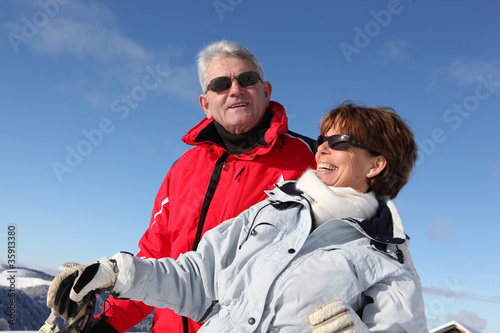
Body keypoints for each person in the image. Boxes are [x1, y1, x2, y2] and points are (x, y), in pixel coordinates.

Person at [47, 102, 427, 332]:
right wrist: (116, 274)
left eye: (341, 142)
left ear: (377, 163)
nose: (322, 148)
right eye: (323, 138)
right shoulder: (273, 209)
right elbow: (196, 279)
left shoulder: (388, 260)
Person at [89, 40, 317, 333]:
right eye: (221, 84)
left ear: (266, 90)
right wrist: (107, 324)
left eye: (247, 79)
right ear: (205, 104)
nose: (235, 90)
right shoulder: (183, 169)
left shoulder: (312, 162)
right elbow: (156, 257)